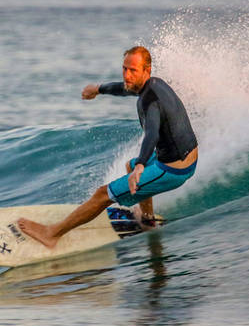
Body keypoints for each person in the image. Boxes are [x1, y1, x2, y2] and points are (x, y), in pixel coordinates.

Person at [18, 46, 199, 249]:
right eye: (125, 69)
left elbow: (152, 133)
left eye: (133, 71)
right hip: (179, 154)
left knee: (103, 195)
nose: (127, 75)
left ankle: (51, 234)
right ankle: (147, 220)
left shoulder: (149, 102)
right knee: (129, 167)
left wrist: (141, 165)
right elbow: (124, 88)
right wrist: (98, 89)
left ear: (147, 70)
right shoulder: (154, 84)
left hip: (174, 169)